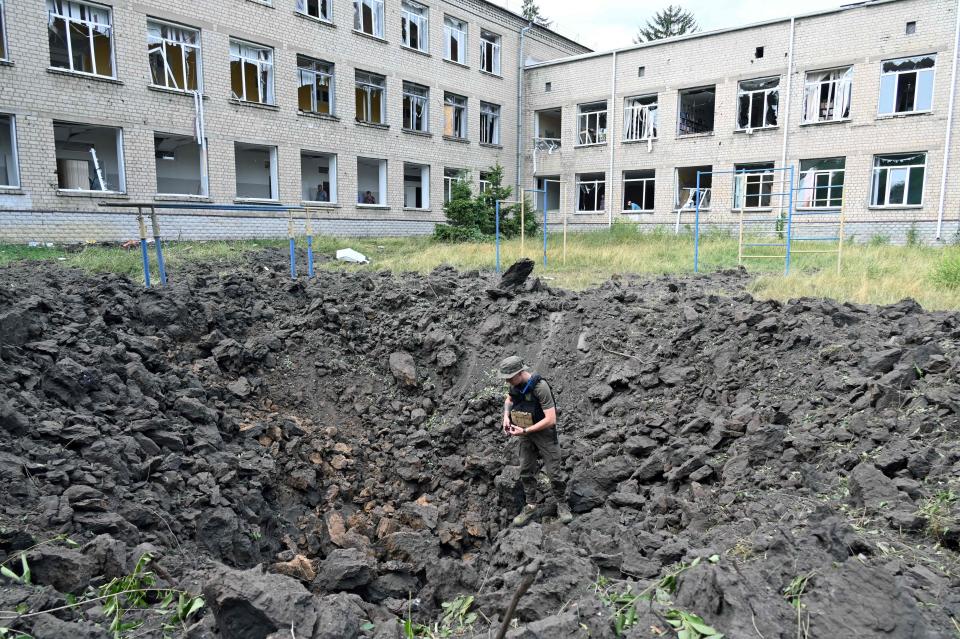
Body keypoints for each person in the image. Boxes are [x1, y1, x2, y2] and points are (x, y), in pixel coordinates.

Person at [498, 355, 573, 526]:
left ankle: (562, 504)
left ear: (520, 373)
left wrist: (525, 430)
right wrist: (506, 417)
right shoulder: (515, 385)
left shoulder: (540, 387)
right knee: (525, 470)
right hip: (525, 434)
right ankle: (530, 505)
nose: (508, 382)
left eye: (510, 378)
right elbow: (509, 399)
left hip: (544, 434)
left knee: (554, 472)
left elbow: (551, 419)